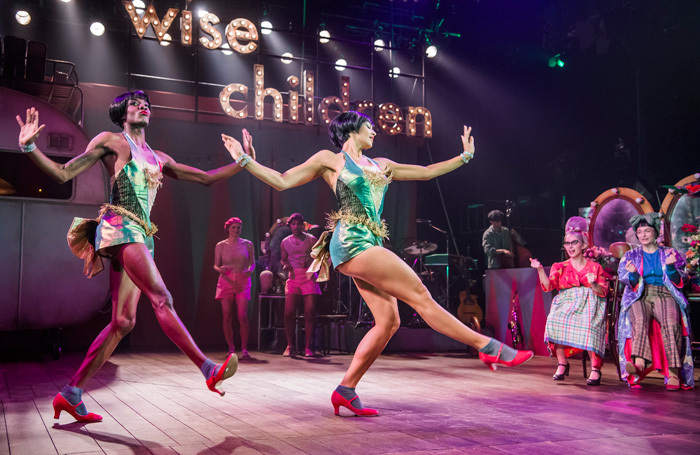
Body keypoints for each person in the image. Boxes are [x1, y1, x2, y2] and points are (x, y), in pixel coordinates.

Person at [221, 111, 534, 417]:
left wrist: (464, 157)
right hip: (350, 241)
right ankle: (487, 346)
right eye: (368, 127)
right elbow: (281, 181)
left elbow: (425, 171)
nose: (374, 132)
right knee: (420, 295)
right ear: (351, 130)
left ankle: (345, 390)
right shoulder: (331, 160)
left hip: (370, 242)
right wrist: (245, 160)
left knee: (388, 322)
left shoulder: (382, 165)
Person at [16, 91, 243, 423]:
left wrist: (243, 163)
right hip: (119, 226)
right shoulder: (111, 141)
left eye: (146, 103)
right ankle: (208, 369)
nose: (144, 106)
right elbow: (65, 172)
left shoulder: (160, 157)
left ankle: (71, 393)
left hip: (142, 235)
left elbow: (205, 179)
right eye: (136, 103)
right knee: (162, 298)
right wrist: (29, 147)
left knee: (123, 322)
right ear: (122, 113)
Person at [617, 213, 694, 390]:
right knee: (639, 318)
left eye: (647, 231)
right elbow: (627, 281)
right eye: (640, 231)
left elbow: (681, 280)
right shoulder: (631, 255)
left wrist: (671, 267)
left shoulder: (669, 253)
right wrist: (634, 274)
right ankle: (638, 364)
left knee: (670, 323)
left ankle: (673, 373)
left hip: (665, 294)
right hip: (640, 295)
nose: (643, 235)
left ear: (656, 233)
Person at [530, 217, 608, 386]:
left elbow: (602, 292)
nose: (571, 247)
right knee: (554, 321)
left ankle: (596, 368)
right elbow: (548, 286)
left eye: (574, 242)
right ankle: (562, 363)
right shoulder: (559, 266)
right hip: (566, 302)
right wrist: (539, 270)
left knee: (589, 323)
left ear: (584, 245)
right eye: (567, 244)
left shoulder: (595, 267)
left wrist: (593, 283)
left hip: (590, 303)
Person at [280, 213, 321, 357]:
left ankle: (308, 347)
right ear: (290, 225)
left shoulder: (311, 240)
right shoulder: (285, 242)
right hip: (293, 277)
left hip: (308, 276)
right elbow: (283, 260)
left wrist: (310, 263)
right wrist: (286, 266)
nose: (296, 226)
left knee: (309, 312)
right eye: (293, 224)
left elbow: (319, 258)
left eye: (298, 224)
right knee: (289, 312)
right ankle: (290, 346)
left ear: (303, 225)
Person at [214, 217, 255, 358]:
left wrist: (250, 270)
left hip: (243, 280)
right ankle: (231, 347)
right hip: (226, 280)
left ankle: (244, 348)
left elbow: (253, 263)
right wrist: (221, 270)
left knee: (242, 315)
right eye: (233, 227)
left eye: (238, 227)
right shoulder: (221, 245)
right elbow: (215, 265)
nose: (236, 230)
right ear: (228, 229)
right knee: (226, 315)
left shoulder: (248, 244)